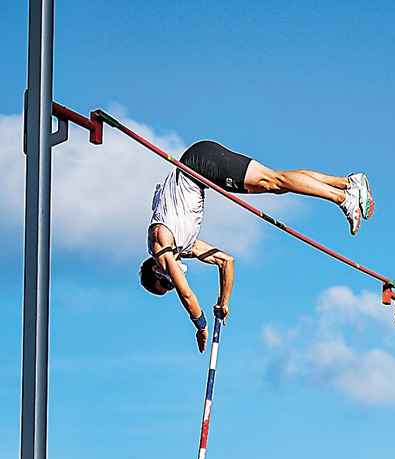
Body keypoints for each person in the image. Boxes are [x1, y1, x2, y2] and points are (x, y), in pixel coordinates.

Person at [139, 140, 374, 352]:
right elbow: (225, 261)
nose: (172, 282)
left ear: (155, 270)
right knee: (277, 183)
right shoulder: (183, 247)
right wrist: (223, 302)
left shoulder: (161, 244)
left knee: (273, 181)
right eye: (169, 287)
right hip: (202, 169)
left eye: (166, 283)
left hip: (199, 164)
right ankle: (348, 184)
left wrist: (200, 326)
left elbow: (186, 293)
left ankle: (343, 199)